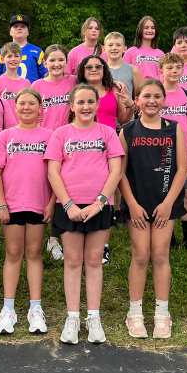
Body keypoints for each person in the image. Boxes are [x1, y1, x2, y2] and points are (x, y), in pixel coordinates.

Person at [45, 84, 125, 345]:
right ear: (71, 106)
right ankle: (72, 318)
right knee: (72, 261)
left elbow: (116, 171)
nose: (86, 107)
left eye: (91, 101)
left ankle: (93, 318)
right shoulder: (60, 133)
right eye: (80, 102)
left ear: (97, 105)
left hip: (99, 206)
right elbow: (53, 172)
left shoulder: (107, 132)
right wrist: (68, 205)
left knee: (93, 260)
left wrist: (99, 203)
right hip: (69, 206)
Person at [118, 79, 187, 339]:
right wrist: (132, 205)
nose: (152, 100)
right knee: (140, 256)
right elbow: (120, 172)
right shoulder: (127, 131)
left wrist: (169, 203)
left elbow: (182, 168)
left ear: (164, 101)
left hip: (165, 202)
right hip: (137, 202)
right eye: (146, 95)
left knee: (160, 255)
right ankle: (134, 313)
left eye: (157, 96)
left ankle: (162, 313)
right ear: (137, 100)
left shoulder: (174, 129)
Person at [0, 88, 55, 335]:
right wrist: (1, 204)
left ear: (40, 109)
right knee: (13, 253)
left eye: (32, 104)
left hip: (39, 203)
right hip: (12, 204)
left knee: (34, 253)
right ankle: (8, 309)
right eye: (22, 103)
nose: (27, 107)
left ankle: (35, 309)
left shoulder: (50, 135)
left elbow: (57, 172)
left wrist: (52, 202)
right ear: (14, 108)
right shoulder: (6, 135)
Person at [75, 55, 133, 264]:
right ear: (82, 70)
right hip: (82, 145)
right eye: (88, 66)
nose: (93, 70)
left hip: (108, 143)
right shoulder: (78, 92)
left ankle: (104, 246)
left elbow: (123, 119)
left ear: (104, 69)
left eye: (97, 66)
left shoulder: (113, 91)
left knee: (107, 189)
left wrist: (131, 105)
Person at [33, 44, 74, 261]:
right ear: (45, 63)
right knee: (48, 185)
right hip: (45, 140)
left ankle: (56, 237)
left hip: (70, 140)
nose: (56, 64)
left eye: (60, 60)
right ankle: (42, 234)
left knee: (64, 185)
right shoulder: (37, 84)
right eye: (52, 60)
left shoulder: (73, 81)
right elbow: (29, 108)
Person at [157, 53, 187, 247]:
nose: (174, 71)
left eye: (178, 67)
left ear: (183, 70)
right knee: (165, 193)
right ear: (161, 71)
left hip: (185, 152)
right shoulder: (157, 94)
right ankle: (168, 233)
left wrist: (185, 144)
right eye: (170, 68)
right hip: (161, 152)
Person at [0, 14, 47, 83]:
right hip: (7, 92)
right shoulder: (1, 52)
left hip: (30, 92)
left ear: (28, 32)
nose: (19, 28)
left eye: (23, 26)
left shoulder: (38, 52)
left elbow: (45, 77)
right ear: (10, 32)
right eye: (15, 26)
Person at [104, 32, 141, 105]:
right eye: (110, 45)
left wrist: (132, 106)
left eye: (118, 45)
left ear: (124, 48)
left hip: (128, 113)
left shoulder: (133, 70)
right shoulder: (100, 70)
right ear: (104, 49)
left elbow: (140, 97)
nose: (114, 48)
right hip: (106, 113)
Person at [123, 16, 164, 81]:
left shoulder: (160, 53)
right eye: (146, 28)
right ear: (140, 30)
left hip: (156, 88)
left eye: (152, 28)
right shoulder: (131, 51)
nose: (150, 30)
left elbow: (164, 75)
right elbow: (124, 72)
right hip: (137, 89)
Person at [0, 42, 32, 107]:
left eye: (16, 56)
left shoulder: (26, 83)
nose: (13, 59)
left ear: (20, 58)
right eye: (9, 56)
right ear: (2, 59)